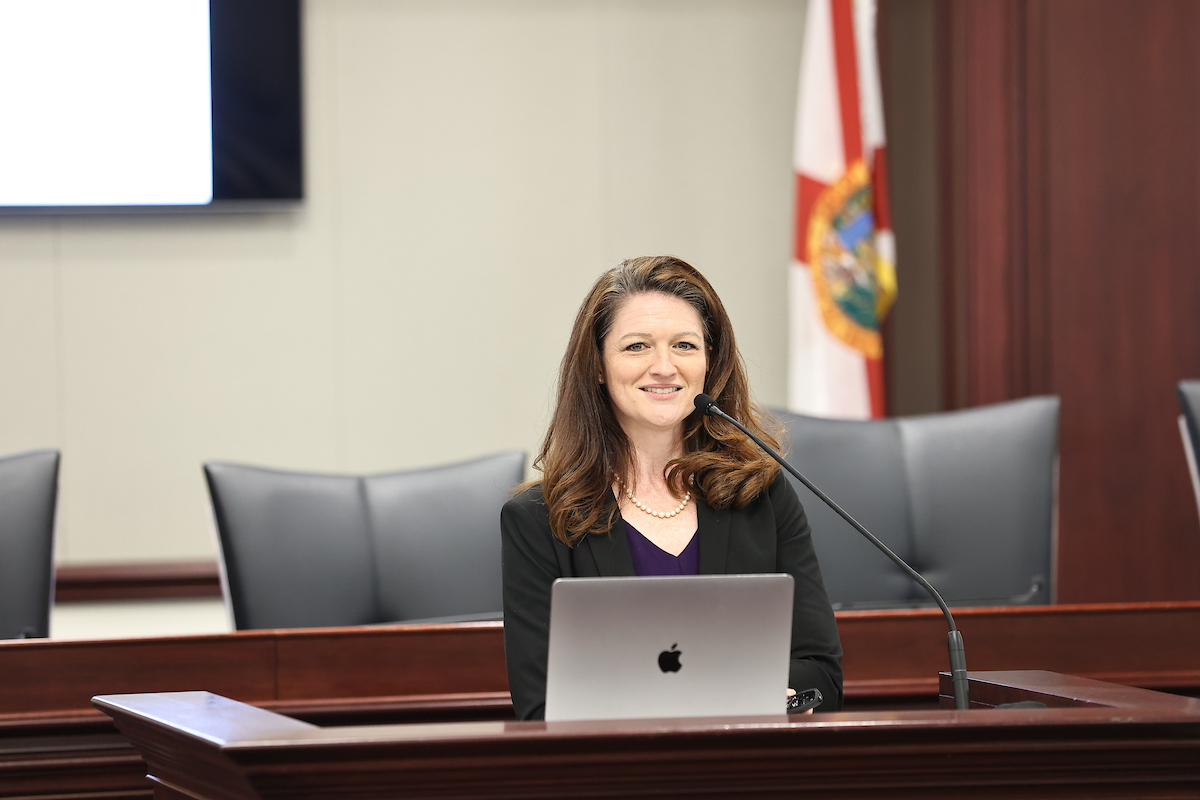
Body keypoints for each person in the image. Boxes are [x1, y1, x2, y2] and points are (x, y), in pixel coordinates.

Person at [501, 255, 843, 721]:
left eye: (684, 345)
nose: (664, 367)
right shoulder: (539, 518)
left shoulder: (762, 494)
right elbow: (539, 706)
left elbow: (821, 675)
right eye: (637, 346)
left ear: (709, 363)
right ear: (598, 366)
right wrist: (722, 698)